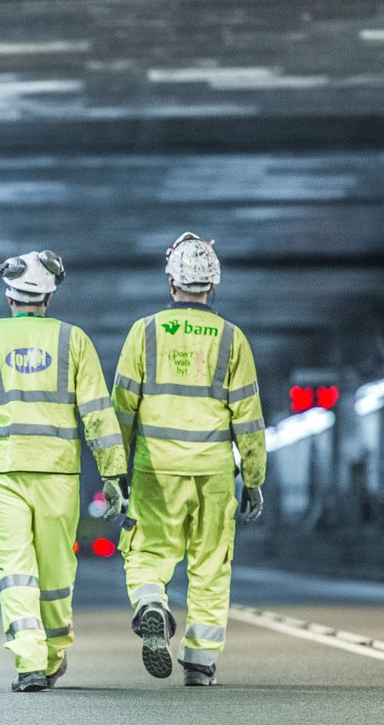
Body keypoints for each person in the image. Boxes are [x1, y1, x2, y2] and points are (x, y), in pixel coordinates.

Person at [0, 250, 128, 692]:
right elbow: (98, 413)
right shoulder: (73, 341)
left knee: (15, 569)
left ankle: (29, 662)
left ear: (9, 296)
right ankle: (53, 652)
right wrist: (113, 474)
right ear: (49, 298)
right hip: (58, 474)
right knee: (56, 570)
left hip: (4, 473)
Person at [111, 232, 267, 686]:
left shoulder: (144, 332)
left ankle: (151, 605)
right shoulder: (232, 339)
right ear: (213, 286)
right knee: (211, 564)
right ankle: (199, 661)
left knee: (147, 552)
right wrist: (253, 478)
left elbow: (121, 409)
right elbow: (249, 416)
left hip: (155, 471)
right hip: (214, 472)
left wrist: (112, 471)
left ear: (170, 282)